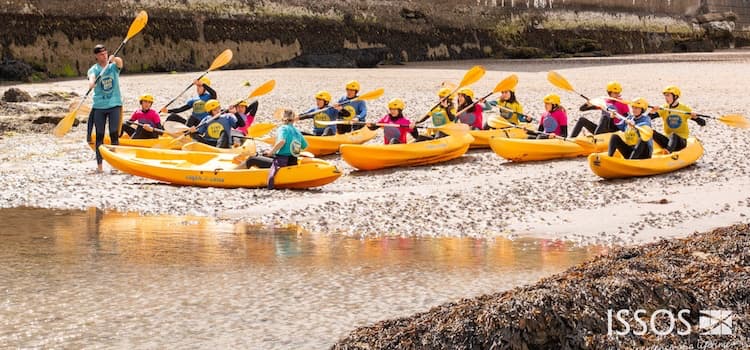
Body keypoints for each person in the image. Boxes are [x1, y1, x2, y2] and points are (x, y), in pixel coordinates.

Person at [86, 44, 123, 174]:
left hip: (114, 105)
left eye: (105, 53)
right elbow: (91, 78)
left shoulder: (112, 67)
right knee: (100, 135)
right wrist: (91, 83)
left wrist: (115, 59)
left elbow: (120, 63)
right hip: (99, 106)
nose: (104, 55)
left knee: (114, 133)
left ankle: (115, 165)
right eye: (101, 54)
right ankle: (100, 166)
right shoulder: (94, 69)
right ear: (96, 56)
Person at [649, 85, 705, 153]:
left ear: (675, 96)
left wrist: (695, 117)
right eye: (665, 96)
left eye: (668, 95)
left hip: (681, 142)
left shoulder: (684, 109)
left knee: (673, 134)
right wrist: (652, 112)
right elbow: (647, 119)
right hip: (668, 141)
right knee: (651, 131)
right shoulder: (664, 108)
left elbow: (703, 123)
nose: (666, 98)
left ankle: (668, 152)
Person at [264, 109, 308, 189]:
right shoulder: (297, 131)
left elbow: (282, 141)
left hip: (281, 162)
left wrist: (270, 152)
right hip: (293, 161)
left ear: (283, 118)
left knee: (252, 159)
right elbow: (305, 146)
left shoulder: (283, 128)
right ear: (293, 119)